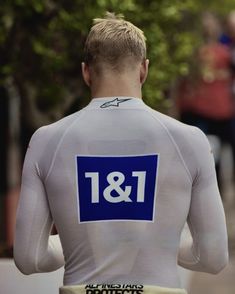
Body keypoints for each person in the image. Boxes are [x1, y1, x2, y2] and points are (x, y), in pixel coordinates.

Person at [14, 12, 228, 294]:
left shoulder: (46, 141)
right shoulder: (190, 140)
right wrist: (151, 240)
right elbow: (212, 258)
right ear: (144, 70)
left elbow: (30, 258)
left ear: (86, 72)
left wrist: (77, 242)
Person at [176, 12, 235, 189]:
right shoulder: (191, 54)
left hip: (222, 112)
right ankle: (214, 192)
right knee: (207, 157)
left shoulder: (226, 53)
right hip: (200, 113)